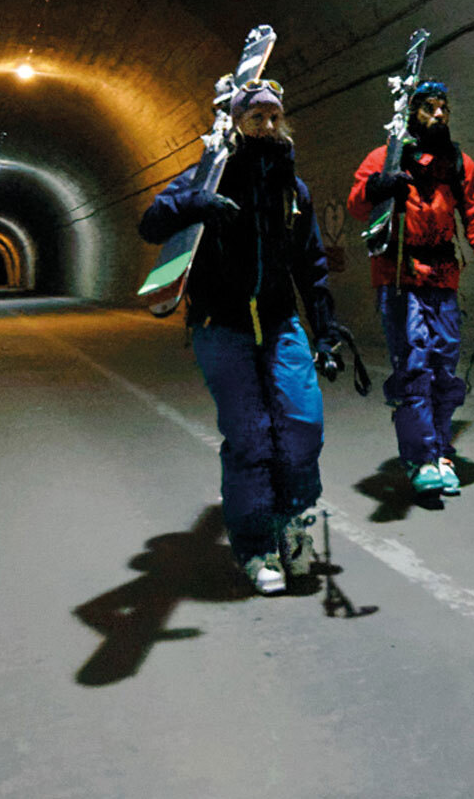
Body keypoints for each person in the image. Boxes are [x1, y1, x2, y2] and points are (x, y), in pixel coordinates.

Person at [139, 79, 347, 595]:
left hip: (280, 323)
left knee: (303, 425)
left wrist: (324, 334)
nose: (268, 126)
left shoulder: (291, 191)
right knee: (250, 434)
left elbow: (311, 266)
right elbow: (151, 223)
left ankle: (295, 530)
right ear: (235, 123)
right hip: (221, 326)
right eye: (256, 118)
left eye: (275, 117)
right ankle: (256, 545)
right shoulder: (205, 177)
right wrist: (196, 203)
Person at [346, 79, 474, 499]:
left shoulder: (457, 163)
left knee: (442, 366)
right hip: (399, 272)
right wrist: (381, 187)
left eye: (443, 108)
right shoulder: (386, 158)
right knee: (414, 363)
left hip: (442, 274)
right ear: (410, 113)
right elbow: (357, 204)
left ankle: (441, 451)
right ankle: (420, 457)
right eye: (428, 108)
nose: (439, 115)